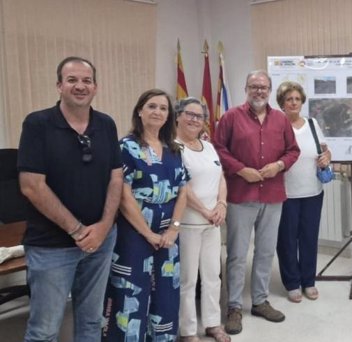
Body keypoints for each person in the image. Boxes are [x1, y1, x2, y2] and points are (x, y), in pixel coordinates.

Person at [17, 56, 123, 342]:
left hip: (100, 242)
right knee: (44, 330)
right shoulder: (38, 124)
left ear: (95, 87)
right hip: (52, 246)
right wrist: (77, 230)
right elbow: (31, 186)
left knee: (91, 322)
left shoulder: (106, 125)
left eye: (86, 80)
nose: (80, 86)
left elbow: (116, 178)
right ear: (59, 85)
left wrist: (103, 226)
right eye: (72, 80)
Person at [213, 70, 300, 335]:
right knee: (238, 254)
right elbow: (218, 150)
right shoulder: (230, 118)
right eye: (253, 86)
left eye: (263, 87)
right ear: (246, 89)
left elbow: (293, 150)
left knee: (265, 251)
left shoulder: (281, 120)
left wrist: (279, 165)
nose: (259, 91)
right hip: (241, 195)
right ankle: (234, 307)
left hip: (273, 195)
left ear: (270, 89)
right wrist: (241, 170)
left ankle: (260, 301)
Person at [102, 89, 188, 341]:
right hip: (134, 233)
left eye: (163, 108)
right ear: (140, 111)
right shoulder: (125, 147)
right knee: (130, 295)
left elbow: (183, 191)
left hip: (169, 236)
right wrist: (147, 232)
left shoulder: (174, 149)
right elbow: (123, 195)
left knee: (166, 295)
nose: (157, 112)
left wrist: (174, 228)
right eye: (152, 106)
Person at [175, 97, 230, 342]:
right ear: (177, 116)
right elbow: (182, 187)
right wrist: (205, 211)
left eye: (199, 116)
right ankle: (187, 331)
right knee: (187, 279)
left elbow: (220, 177)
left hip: (213, 223)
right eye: (190, 114)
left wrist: (221, 204)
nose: (195, 120)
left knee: (212, 276)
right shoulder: (173, 147)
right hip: (188, 224)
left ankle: (212, 323)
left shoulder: (207, 146)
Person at [274, 81, 331, 303]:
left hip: (312, 192)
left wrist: (327, 157)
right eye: (289, 99)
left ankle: (309, 281)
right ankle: (292, 283)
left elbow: (325, 149)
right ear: (282, 103)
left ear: (302, 102)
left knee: (309, 238)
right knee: (287, 240)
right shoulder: (276, 124)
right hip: (286, 193)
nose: (294, 102)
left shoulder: (312, 123)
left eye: (297, 99)